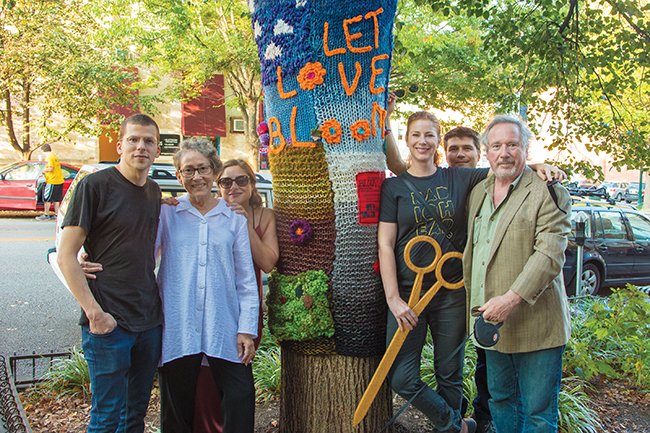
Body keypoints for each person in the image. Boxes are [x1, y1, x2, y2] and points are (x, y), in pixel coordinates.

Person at [381, 93, 564, 433]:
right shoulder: (398, 186)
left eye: (429, 135)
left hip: (455, 293)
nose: (423, 141)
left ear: (438, 140)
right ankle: (455, 425)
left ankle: (450, 430)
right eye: (415, 135)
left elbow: (507, 167)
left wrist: (538, 166)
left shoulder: (463, 179)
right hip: (410, 292)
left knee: (453, 374)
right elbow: (386, 240)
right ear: (407, 139)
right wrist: (393, 297)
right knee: (404, 377)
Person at [463, 115, 571, 433]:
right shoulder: (478, 192)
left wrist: (510, 300)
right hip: (493, 325)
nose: (504, 153)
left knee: (538, 413)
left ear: (526, 148)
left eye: (512, 144)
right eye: (496, 146)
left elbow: (549, 256)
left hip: (537, 324)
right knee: (500, 402)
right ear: (486, 152)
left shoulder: (547, 191)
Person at [57, 114, 164, 433]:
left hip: (148, 322)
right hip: (108, 321)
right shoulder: (95, 186)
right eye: (133, 139)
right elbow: (65, 255)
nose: (140, 146)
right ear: (119, 145)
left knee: (134, 417)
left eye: (148, 141)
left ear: (158, 150)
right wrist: (95, 314)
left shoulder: (155, 192)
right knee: (105, 418)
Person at [158, 139, 259, 433]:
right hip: (179, 326)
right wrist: (88, 254)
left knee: (241, 398)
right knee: (176, 412)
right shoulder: (167, 213)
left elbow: (245, 279)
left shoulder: (233, 217)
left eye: (202, 168)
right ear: (178, 176)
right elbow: (139, 254)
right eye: (187, 170)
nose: (196, 177)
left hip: (224, 326)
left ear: (213, 171)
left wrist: (246, 329)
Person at [191, 159, 279, 433]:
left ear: (253, 184)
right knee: (204, 381)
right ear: (218, 186)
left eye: (242, 180)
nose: (234, 186)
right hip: (207, 308)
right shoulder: (211, 211)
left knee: (237, 384)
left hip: (245, 310)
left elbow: (267, 263)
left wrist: (243, 223)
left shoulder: (265, 217)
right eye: (226, 182)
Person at [442, 126, 495, 433]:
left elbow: (515, 167)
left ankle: (485, 418)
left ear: (479, 152)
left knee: (487, 355)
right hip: (447, 285)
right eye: (453, 148)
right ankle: (454, 419)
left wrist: (538, 167)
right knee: (450, 358)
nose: (460, 154)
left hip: (487, 284)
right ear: (445, 153)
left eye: (466, 148)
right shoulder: (440, 180)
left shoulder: (492, 181)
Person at [36, 143, 64, 221]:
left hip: (52, 181)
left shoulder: (49, 157)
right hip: (59, 180)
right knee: (56, 199)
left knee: (47, 198)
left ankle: (46, 214)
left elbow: (50, 169)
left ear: (43, 151)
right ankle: (56, 214)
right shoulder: (54, 156)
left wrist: (41, 169)